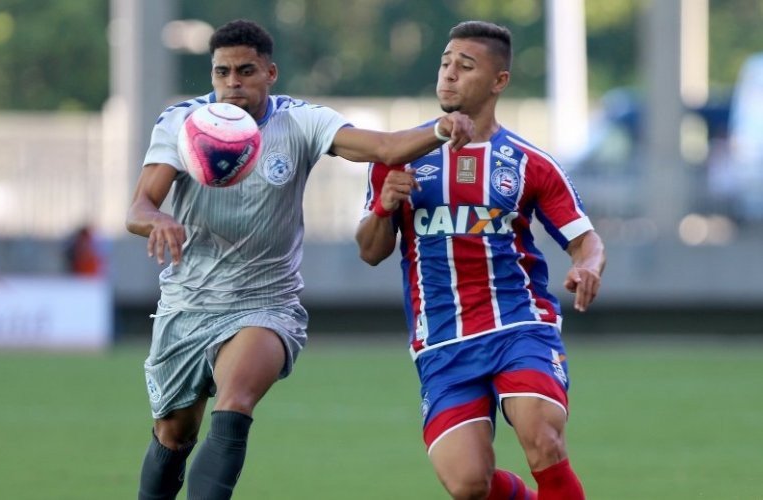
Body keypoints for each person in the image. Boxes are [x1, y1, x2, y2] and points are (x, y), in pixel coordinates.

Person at [125, 19, 474, 500]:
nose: (233, 84)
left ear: (270, 72)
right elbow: (139, 206)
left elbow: (385, 147)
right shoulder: (183, 124)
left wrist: (440, 128)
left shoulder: (301, 122)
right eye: (222, 72)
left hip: (266, 302)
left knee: (235, 404)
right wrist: (157, 220)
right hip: (187, 304)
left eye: (245, 71)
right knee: (174, 435)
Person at [356, 21, 605, 500]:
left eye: (465, 66)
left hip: (519, 324)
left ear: (499, 82)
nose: (449, 74)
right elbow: (370, 252)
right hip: (442, 340)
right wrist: (384, 207)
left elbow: (585, 239)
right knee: (469, 484)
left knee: (543, 441)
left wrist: (589, 265)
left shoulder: (530, 162)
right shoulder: (397, 157)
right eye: (446, 63)